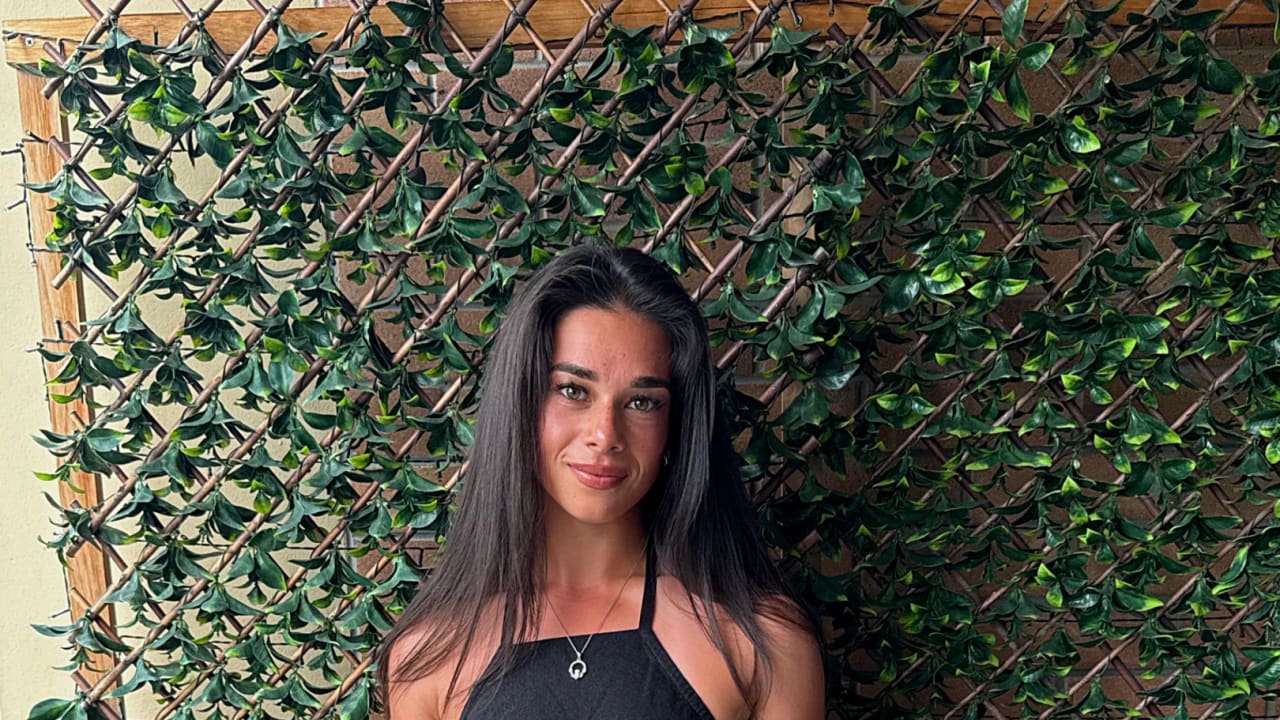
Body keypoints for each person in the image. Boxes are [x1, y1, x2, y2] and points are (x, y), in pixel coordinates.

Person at [375, 244, 824, 719]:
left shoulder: (761, 642)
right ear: (520, 401)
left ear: (676, 425)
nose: (605, 435)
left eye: (642, 402)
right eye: (572, 390)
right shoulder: (428, 659)